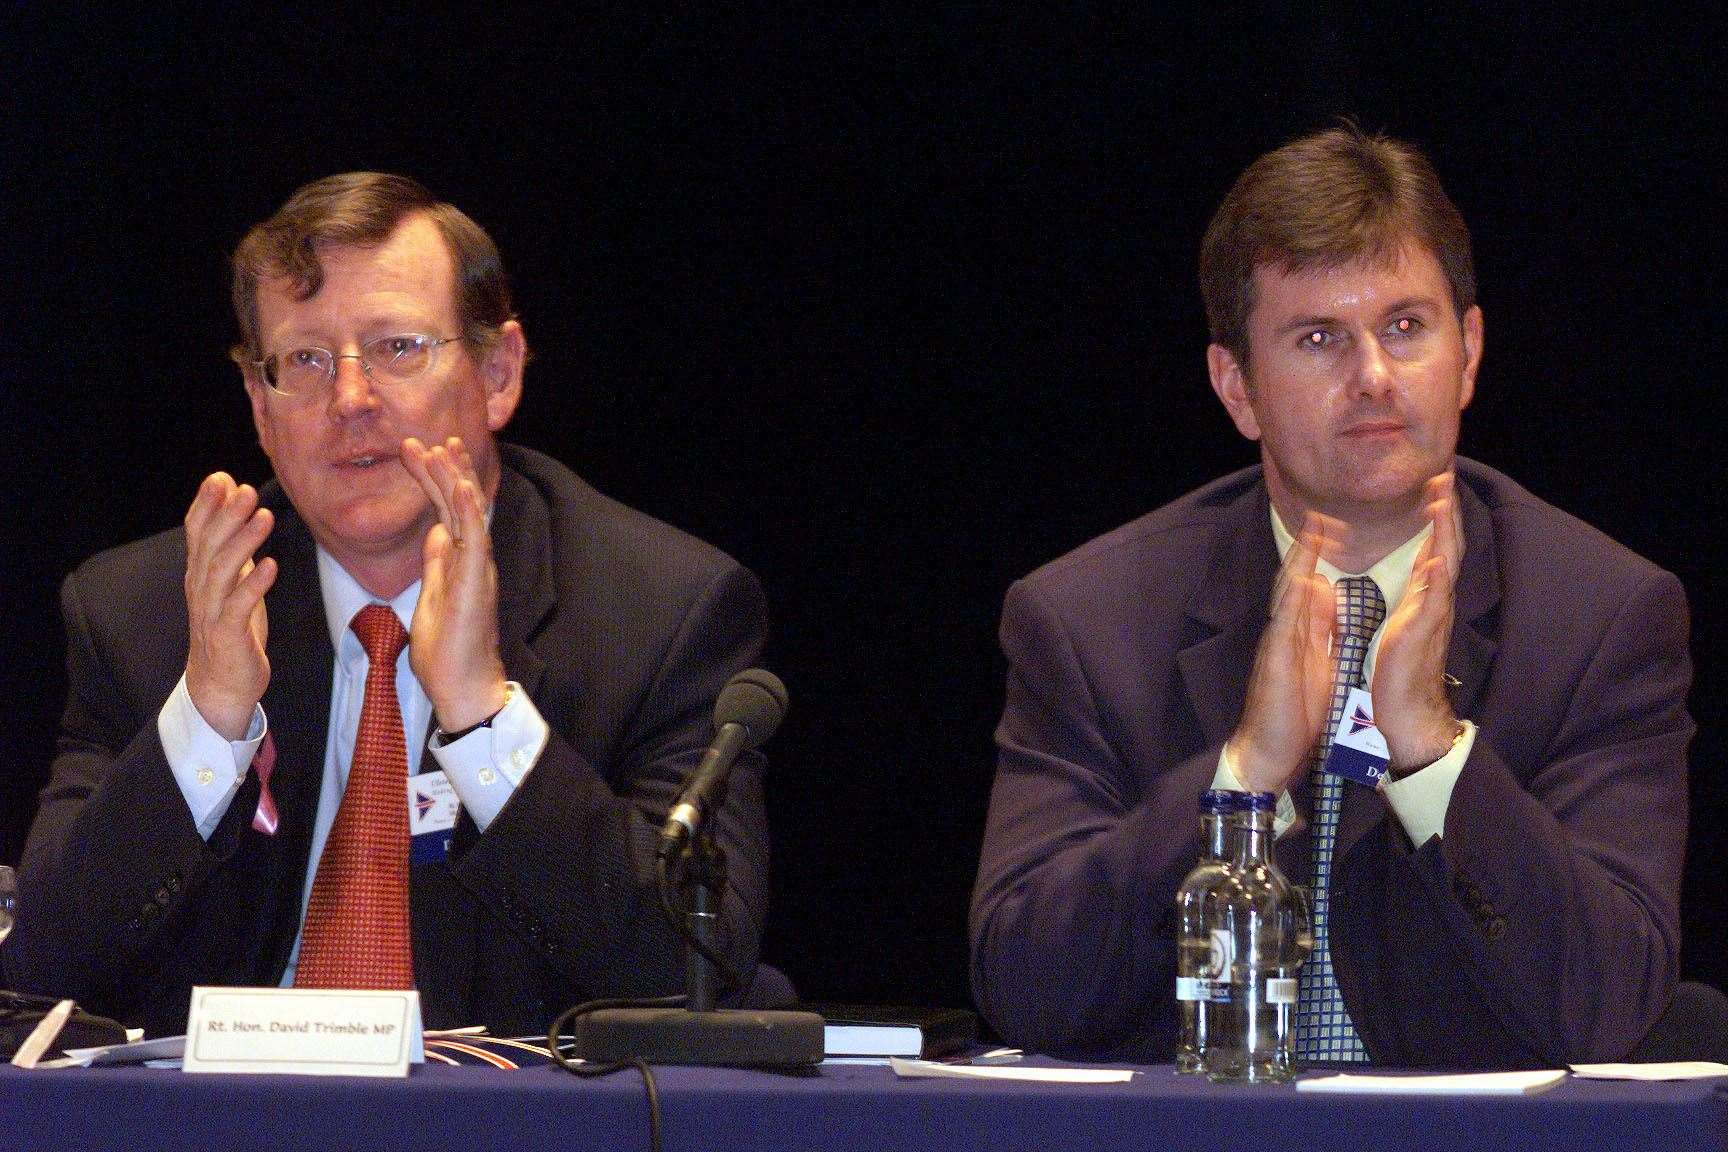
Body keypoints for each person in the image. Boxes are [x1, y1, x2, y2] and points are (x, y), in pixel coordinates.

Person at [969, 125, 1695, 1067]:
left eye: (1406, 326)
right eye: (1319, 339)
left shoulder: (1602, 617)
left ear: (1468, 351)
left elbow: (1610, 1005)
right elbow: (1029, 990)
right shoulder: (1088, 620)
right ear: (1238, 388)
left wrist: (1433, 750)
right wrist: (1242, 778)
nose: (1374, 378)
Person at [9, 173, 772, 1038]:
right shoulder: (141, 613)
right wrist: (207, 719)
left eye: (398, 348)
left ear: (497, 372)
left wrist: (485, 718)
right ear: (258, 405)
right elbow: (40, 972)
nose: (351, 400)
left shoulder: (662, 613)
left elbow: (698, 971)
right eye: (303, 360)